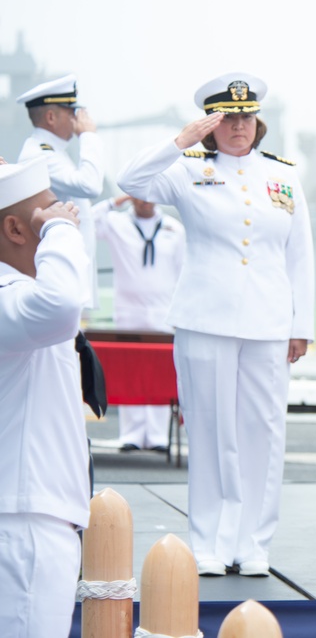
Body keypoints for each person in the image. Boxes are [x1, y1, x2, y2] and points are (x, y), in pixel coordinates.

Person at [117, 72, 315, 578]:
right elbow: (131, 181)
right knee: (207, 429)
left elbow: (300, 255)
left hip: (269, 322)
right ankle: (207, 541)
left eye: (246, 116)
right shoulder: (186, 171)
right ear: (211, 123)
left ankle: (253, 542)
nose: (238, 126)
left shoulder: (284, 176)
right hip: (205, 319)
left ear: (258, 121)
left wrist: (302, 323)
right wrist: (179, 141)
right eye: (227, 117)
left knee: (263, 433)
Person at [0, 157, 92, 636]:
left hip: (31, 511)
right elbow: (61, 307)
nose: (66, 217)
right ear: (15, 229)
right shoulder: (11, 293)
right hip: (23, 524)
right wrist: (61, 234)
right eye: (48, 214)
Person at [93, 194, 186, 453]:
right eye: (139, 194)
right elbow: (86, 223)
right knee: (130, 372)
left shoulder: (173, 229)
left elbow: (182, 272)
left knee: (159, 372)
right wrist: (115, 201)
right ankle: (132, 434)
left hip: (163, 310)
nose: (145, 200)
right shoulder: (116, 223)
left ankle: (157, 436)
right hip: (129, 310)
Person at [16, 74, 105, 309]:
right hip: (62, 279)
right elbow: (90, 185)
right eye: (71, 111)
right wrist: (89, 136)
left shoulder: (53, 151)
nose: (77, 119)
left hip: (71, 273)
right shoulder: (40, 153)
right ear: (51, 116)